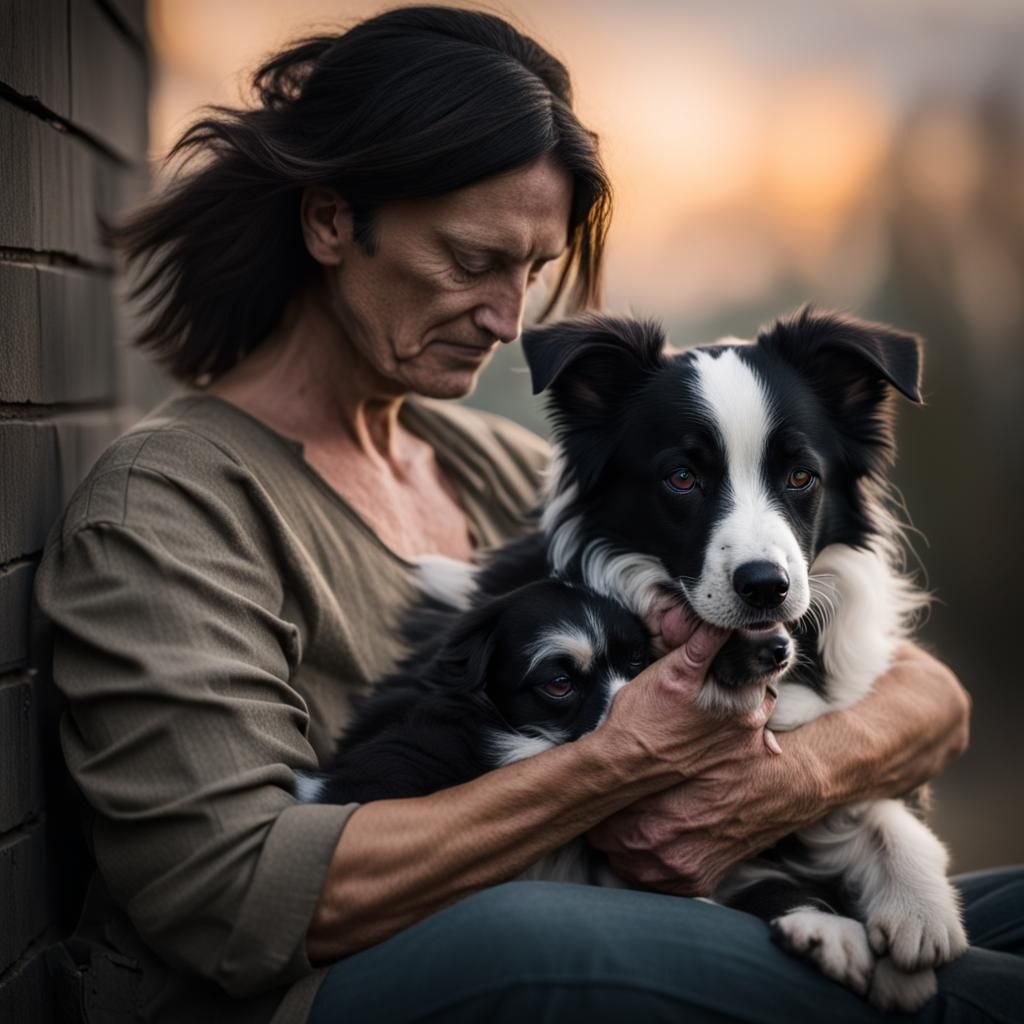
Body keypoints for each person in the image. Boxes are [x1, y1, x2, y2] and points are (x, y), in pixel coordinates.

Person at [33, 7, 1022, 1024]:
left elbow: (928, 698)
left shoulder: (508, 473)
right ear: (330, 221)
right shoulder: (166, 506)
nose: (510, 319)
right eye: (473, 262)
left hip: (623, 911)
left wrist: (779, 786)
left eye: (532, 271)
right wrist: (615, 764)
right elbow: (236, 894)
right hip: (331, 991)